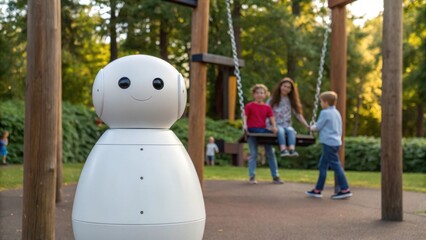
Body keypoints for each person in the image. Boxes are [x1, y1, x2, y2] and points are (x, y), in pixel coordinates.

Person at [305, 91, 352, 199]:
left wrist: (311, 127)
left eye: (321, 102)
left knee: (336, 165)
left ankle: (345, 189)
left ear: (325, 102)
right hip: (336, 142)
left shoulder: (325, 112)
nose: (321, 104)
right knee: (323, 165)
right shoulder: (336, 112)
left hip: (328, 143)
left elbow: (318, 127)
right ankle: (317, 189)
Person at [244, 84, 284, 185]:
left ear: (265, 95)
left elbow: (272, 118)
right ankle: (252, 176)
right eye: (257, 93)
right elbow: (245, 116)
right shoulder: (249, 106)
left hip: (262, 131)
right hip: (252, 131)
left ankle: (275, 176)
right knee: (253, 153)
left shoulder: (267, 107)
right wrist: (244, 126)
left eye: (261, 93)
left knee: (270, 153)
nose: (259, 95)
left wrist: (274, 126)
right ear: (254, 94)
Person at [268, 77, 310, 157]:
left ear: (291, 90)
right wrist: (268, 126)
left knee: (291, 131)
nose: (286, 89)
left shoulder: (291, 100)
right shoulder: (273, 99)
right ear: (280, 87)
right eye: (284, 86)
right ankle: (283, 150)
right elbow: (266, 112)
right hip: (275, 124)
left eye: (288, 87)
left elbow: (298, 115)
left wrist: (306, 125)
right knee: (280, 131)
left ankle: (292, 149)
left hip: (286, 124)